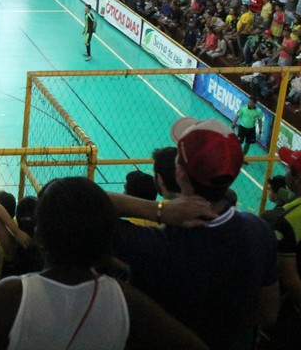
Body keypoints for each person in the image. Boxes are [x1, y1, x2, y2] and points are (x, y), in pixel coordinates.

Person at [0, 177, 208, 350]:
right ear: (106, 241)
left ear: (39, 235)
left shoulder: (9, 297)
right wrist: (159, 211)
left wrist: (160, 210)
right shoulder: (126, 301)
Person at [110, 117, 280, 350]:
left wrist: (157, 211)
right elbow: (268, 313)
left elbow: (78, 199)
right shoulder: (259, 231)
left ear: (179, 173)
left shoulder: (156, 243)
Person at [267, 147, 301, 348]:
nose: (286, 171)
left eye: (289, 168)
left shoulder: (287, 220)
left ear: (296, 178)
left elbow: (290, 280)